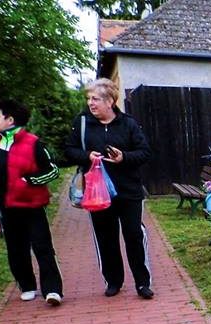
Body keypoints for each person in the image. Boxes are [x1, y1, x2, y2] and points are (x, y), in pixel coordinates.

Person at [64, 78, 153, 299]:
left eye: (95, 99)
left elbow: (144, 152)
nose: (90, 103)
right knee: (106, 237)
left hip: (128, 191)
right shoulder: (82, 122)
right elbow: (68, 150)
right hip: (97, 192)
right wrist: (87, 156)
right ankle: (114, 281)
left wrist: (124, 157)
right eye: (89, 99)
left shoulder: (128, 124)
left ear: (110, 101)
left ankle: (142, 283)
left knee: (133, 235)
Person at [0, 99, 63, 306]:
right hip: (6, 206)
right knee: (16, 248)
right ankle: (27, 285)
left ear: (10, 120)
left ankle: (53, 289)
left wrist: (27, 180)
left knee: (42, 246)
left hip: (31, 206)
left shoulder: (33, 142)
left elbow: (53, 170)